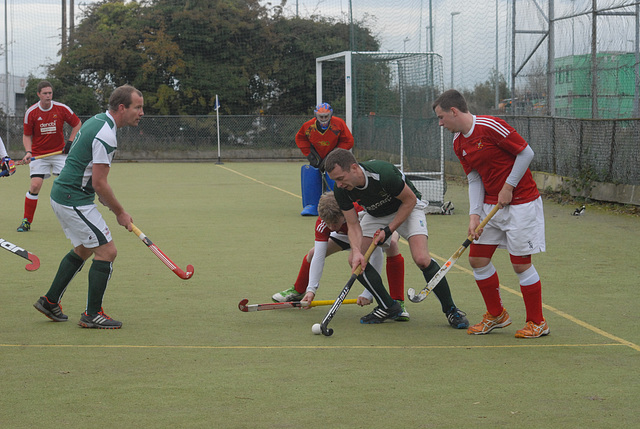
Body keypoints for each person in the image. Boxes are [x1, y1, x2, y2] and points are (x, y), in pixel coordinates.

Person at [432, 89, 549, 338]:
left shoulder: (490, 126)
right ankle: (497, 315)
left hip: (521, 203)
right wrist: (474, 215)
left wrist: (509, 186)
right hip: (490, 205)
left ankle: (538, 322)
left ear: (454, 111)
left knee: (520, 264)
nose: (440, 123)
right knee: (477, 259)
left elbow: (526, 152)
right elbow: (474, 178)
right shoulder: (458, 143)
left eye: (442, 117)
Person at [33, 85, 144, 329]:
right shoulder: (106, 134)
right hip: (73, 199)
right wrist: (120, 213)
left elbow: (91, 176)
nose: (141, 112)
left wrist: (103, 198)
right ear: (122, 108)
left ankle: (50, 301)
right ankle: (92, 314)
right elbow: (100, 182)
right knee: (107, 251)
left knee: (84, 248)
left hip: (68, 194)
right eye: (138, 107)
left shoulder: (97, 120)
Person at [324, 148, 469, 327]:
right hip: (375, 215)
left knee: (422, 259)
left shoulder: (383, 173)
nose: (338, 185)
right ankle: (388, 306)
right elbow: (353, 224)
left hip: (407, 207)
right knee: (355, 260)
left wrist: (389, 229)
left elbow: (410, 201)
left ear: (354, 168)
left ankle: (451, 310)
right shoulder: (341, 190)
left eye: (340, 178)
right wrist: (356, 251)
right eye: (334, 180)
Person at [272, 192, 410, 320]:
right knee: (313, 253)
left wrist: (367, 293)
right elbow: (319, 256)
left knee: (392, 244)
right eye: (328, 223)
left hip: (371, 228)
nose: (331, 227)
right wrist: (311, 290)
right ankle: (299, 290)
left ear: (343, 214)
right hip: (345, 234)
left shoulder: (360, 211)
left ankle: (397, 301)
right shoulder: (324, 222)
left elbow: (375, 253)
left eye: (334, 223)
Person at [17, 80, 82, 232]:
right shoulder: (31, 112)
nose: (48, 96)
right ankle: (26, 221)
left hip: (59, 154)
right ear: (38, 94)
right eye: (45, 93)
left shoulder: (61, 108)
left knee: (67, 186)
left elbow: (77, 124)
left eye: (50, 93)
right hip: (39, 155)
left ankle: (75, 221)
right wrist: (28, 152)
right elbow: (27, 136)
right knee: (35, 185)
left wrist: (70, 142)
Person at [295, 103, 354, 216]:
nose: (323, 119)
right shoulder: (308, 126)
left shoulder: (339, 124)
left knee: (336, 174)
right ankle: (311, 204)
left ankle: (338, 203)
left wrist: (335, 154)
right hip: (316, 156)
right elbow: (300, 138)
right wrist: (310, 155)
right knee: (311, 171)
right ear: (316, 115)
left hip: (334, 157)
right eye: (321, 116)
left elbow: (348, 140)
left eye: (326, 116)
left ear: (330, 114)